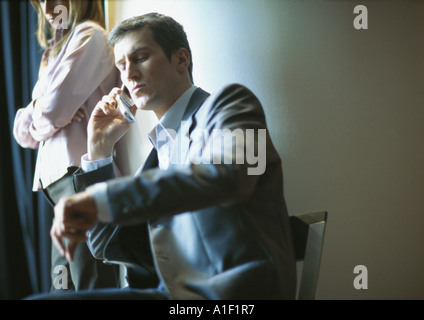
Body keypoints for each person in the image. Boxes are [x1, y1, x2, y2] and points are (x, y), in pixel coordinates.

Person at [44, 12, 296, 300]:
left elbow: (229, 178)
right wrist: (99, 148)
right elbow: (107, 246)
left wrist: (99, 199)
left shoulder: (234, 106)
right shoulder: (159, 152)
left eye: (140, 57)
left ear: (181, 60)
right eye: (122, 65)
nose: (129, 74)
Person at [13, 0, 120, 292]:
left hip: (77, 178)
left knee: (89, 284)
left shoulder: (91, 35)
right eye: (40, 1)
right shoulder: (53, 54)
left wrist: (43, 113)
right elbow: (23, 132)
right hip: (58, 188)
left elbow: (51, 111)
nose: (48, 7)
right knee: (62, 286)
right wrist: (43, 109)